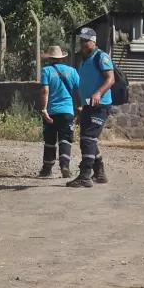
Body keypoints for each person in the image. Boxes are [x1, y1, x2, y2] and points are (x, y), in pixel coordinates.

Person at [67, 26, 115, 189]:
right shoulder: (85, 60)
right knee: (88, 140)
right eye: (81, 41)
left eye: (86, 41)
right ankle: (99, 174)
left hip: (100, 105)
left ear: (93, 41)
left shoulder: (101, 57)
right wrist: (80, 105)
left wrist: (98, 93)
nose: (83, 43)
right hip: (88, 105)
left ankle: (85, 175)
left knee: (88, 139)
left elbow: (110, 79)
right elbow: (83, 85)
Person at [38, 45, 80, 178]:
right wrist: (80, 107)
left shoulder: (46, 71)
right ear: (61, 57)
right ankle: (65, 166)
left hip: (51, 112)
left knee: (50, 141)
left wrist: (44, 109)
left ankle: (47, 169)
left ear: (49, 58)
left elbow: (45, 90)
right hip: (68, 111)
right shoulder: (72, 71)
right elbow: (79, 90)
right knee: (65, 139)